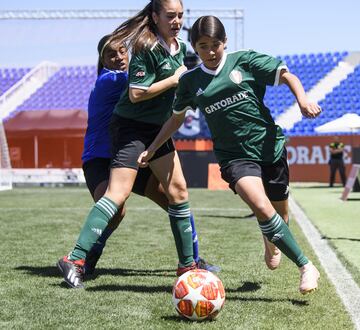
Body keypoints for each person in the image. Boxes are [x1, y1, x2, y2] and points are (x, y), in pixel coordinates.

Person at [138, 15, 322, 294]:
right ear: (194, 48)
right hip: (234, 157)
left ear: (225, 42)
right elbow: (175, 119)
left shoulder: (244, 61)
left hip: (269, 147)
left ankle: (269, 235)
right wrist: (152, 148)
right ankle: (306, 267)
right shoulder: (190, 81)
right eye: (203, 46)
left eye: (215, 45)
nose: (211, 52)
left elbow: (287, 75)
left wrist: (303, 99)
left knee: (279, 215)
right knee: (261, 207)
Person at [57, 0, 209, 289]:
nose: (177, 21)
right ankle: (75, 258)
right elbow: (137, 93)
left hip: (157, 130)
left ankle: (188, 266)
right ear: (155, 16)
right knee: (118, 195)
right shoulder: (145, 45)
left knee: (178, 192)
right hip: (131, 130)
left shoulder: (180, 49)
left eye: (180, 15)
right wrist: (176, 79)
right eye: (170, 16)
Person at [80, 34, 218, 276]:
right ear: (101, 60)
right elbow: (142, 88)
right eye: (111, 54)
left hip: (129, 149)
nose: (119, 57)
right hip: (100, 157)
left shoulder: (131, 72)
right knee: (116, 210)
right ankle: (85, 259)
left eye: (123, 51)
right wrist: (180, 74)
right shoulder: (110, 80)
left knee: (174, 198)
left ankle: (193, 260)